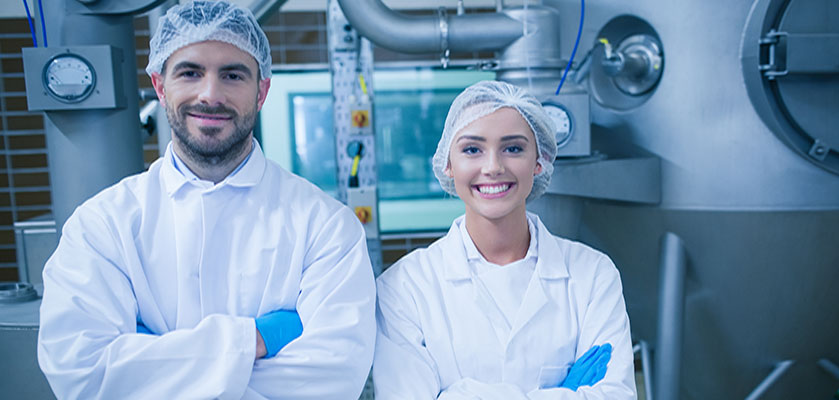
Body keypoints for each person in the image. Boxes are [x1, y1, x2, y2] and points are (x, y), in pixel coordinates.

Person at [36, 1, 375, 398]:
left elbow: (331, 379)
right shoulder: (102, 225)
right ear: (161, 86)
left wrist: (151, 355)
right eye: (190, 73)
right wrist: (256, 338)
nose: (210, 95)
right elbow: (80, 371)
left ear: (262, 91)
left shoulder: (326, 228)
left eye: (232, 75)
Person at [372, 80, 636, 399]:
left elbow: (616, 396)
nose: (493, 167)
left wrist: (454, 394)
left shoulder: (592, 274)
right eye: (472, 149)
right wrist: (563, 394)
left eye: (513, 148)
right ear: (448, 165)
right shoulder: (404, 287)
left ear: (539, 161)